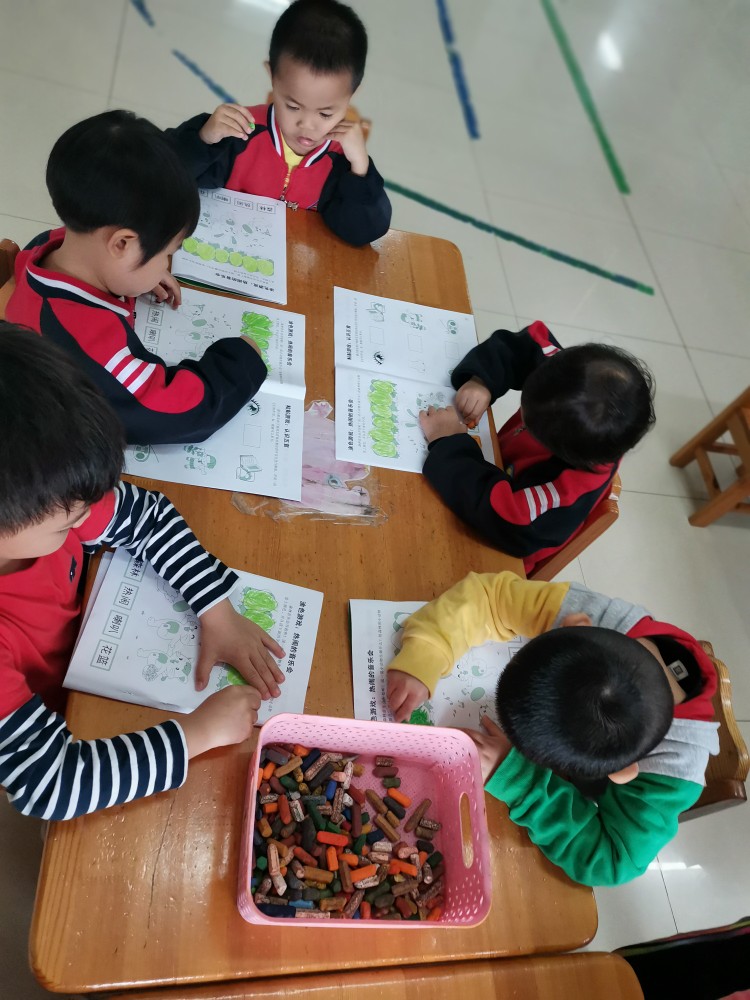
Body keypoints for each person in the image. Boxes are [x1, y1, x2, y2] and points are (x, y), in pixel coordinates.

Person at [0, 325, 286, 820]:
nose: (85, 516)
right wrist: (197, 734)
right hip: (47, 718)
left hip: (86, 662)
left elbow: (147, 517)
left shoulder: (42, 494)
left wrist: (217, 612)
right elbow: (50, 784)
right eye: (66, 522)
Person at [386, 571, 719, 886]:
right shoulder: (594, 616)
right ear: (572, 626)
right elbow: (490, 597)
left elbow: (612, 860)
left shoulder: (673, 776)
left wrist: (517, 778)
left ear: (623, 771)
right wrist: (428, 651)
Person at [6, 111, 268, 445]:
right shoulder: (86, 347)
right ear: (122, 245)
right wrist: (240, 362)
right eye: (166, 254)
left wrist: (136, 276)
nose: (166, 265)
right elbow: (179, 412)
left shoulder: (52, 244)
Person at [418, 322, 656, 574]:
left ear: (561, 450)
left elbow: (502, 517)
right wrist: (483, 380)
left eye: (530, 424)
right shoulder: (568, 376)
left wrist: (449, 443)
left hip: (498, 549)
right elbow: (528, 343)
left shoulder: (564, 493)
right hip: (492, 470)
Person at [166, 0, 391, 246]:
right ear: (272, 75)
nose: (307, 125)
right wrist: (203, 139)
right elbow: (163, 177)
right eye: (293, 107)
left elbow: (362, 232)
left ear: (352, 94)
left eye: (325, 114)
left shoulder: (341, 161)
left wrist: (360, 170)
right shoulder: (240, 134)